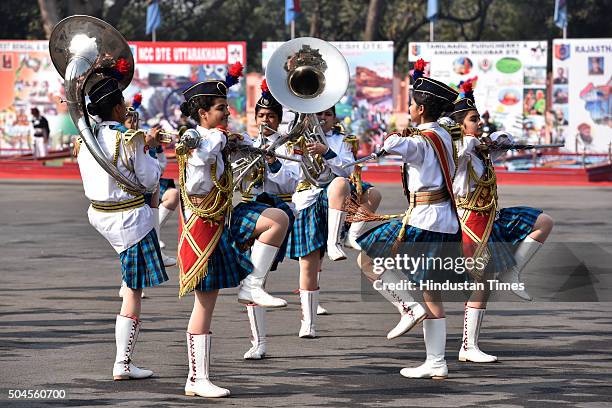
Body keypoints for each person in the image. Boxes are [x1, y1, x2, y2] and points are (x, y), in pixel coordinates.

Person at [356, 59, 465, 379]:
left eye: (412, 105)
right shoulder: (444, 134)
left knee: (365, 257)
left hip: (424, 219)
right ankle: (436, 361)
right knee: (432, 291)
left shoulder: (420, 141)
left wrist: (398, 133)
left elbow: (392, 144)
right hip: (444, 219)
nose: (409, 110)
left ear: (419, 110)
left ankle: (407, 307)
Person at [450, 78, 554, 363]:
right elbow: (462, 151)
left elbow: (503, 140)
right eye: (474, 120)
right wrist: (473, 141)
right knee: (480, 281)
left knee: (543, 222)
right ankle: (468, 346)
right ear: (461, 126)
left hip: (492, 216)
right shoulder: (457, 152)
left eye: (480, 119)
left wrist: (497, 139)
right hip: (469, 222)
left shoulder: (480, 150)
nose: (480, 124)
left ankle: (513, 271)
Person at [77, 77, 168, 380]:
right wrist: (151, 148)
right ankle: (123, 363)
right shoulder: (130, 139)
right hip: (127, 220)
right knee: (133, 292)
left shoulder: (85, 137)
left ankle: (136, 266)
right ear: (118, 107)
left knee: (131, 282)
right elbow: (151, 180)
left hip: (100, 215)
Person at [176, 65, 255, 398]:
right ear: (202, 113)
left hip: (213, 225)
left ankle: (198, 378)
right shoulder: (199, 143)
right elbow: (201, 168)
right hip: (202, 230)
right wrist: (222, 137)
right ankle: (196, 378)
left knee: (207, 306)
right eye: (221, 108)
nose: (227, 113)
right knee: (204, 306)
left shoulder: (212, 140)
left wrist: (238, 142)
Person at [236, 79, 299, 360]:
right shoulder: (248, 142)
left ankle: (262, 341)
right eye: (260, 116)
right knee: (253, 279)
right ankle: (258, 342)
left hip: (276, 212)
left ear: (278, 118)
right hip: (251, 210)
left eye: (270, 116)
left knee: (258, 279)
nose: (265, 121)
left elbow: (290, 183)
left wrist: (272, 160)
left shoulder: (286, 146)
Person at [286, 106, 353, 338]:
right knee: (308, 263)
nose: (322, 118)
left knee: (341, 184)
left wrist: (326, 152)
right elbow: (290, 175)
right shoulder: (295, 139)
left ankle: (336, 242)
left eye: (327, 114)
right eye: (317, 113)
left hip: (332, 200)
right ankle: (308, 322)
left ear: (334, 118)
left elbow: (348, 169)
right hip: (305, 199)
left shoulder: (342, 140)